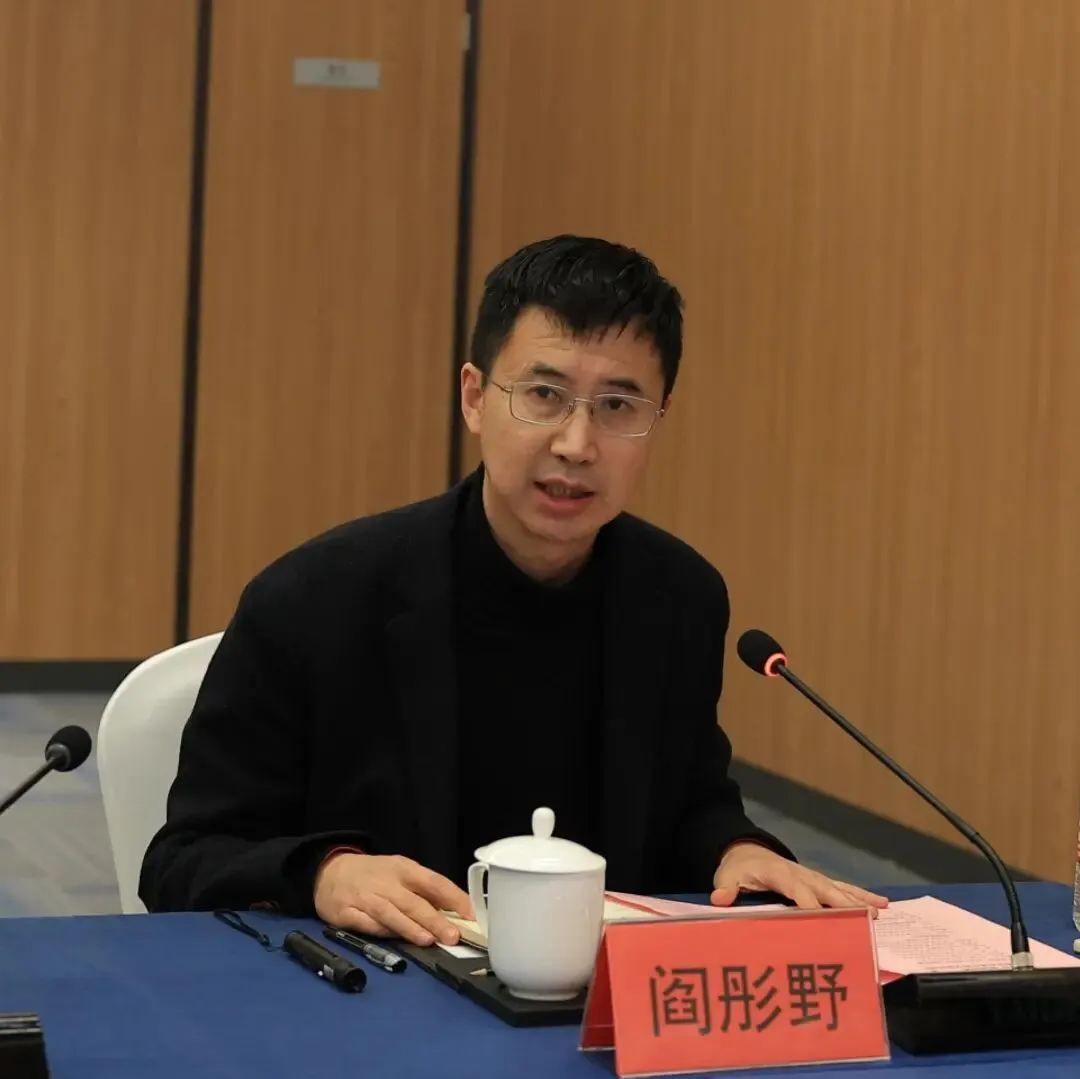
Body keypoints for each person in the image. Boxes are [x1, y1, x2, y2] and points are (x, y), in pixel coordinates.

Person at [140, 234, 887, 946]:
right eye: (543, 394)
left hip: (591, 1006)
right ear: (474, 397)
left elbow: (687, 803)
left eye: (618, 406)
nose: (576, 444)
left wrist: (735, 848)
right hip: (383, 991)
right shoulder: (313, 600)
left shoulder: (678, 596)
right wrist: (324, 872)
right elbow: (183, 859)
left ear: (659, 420)